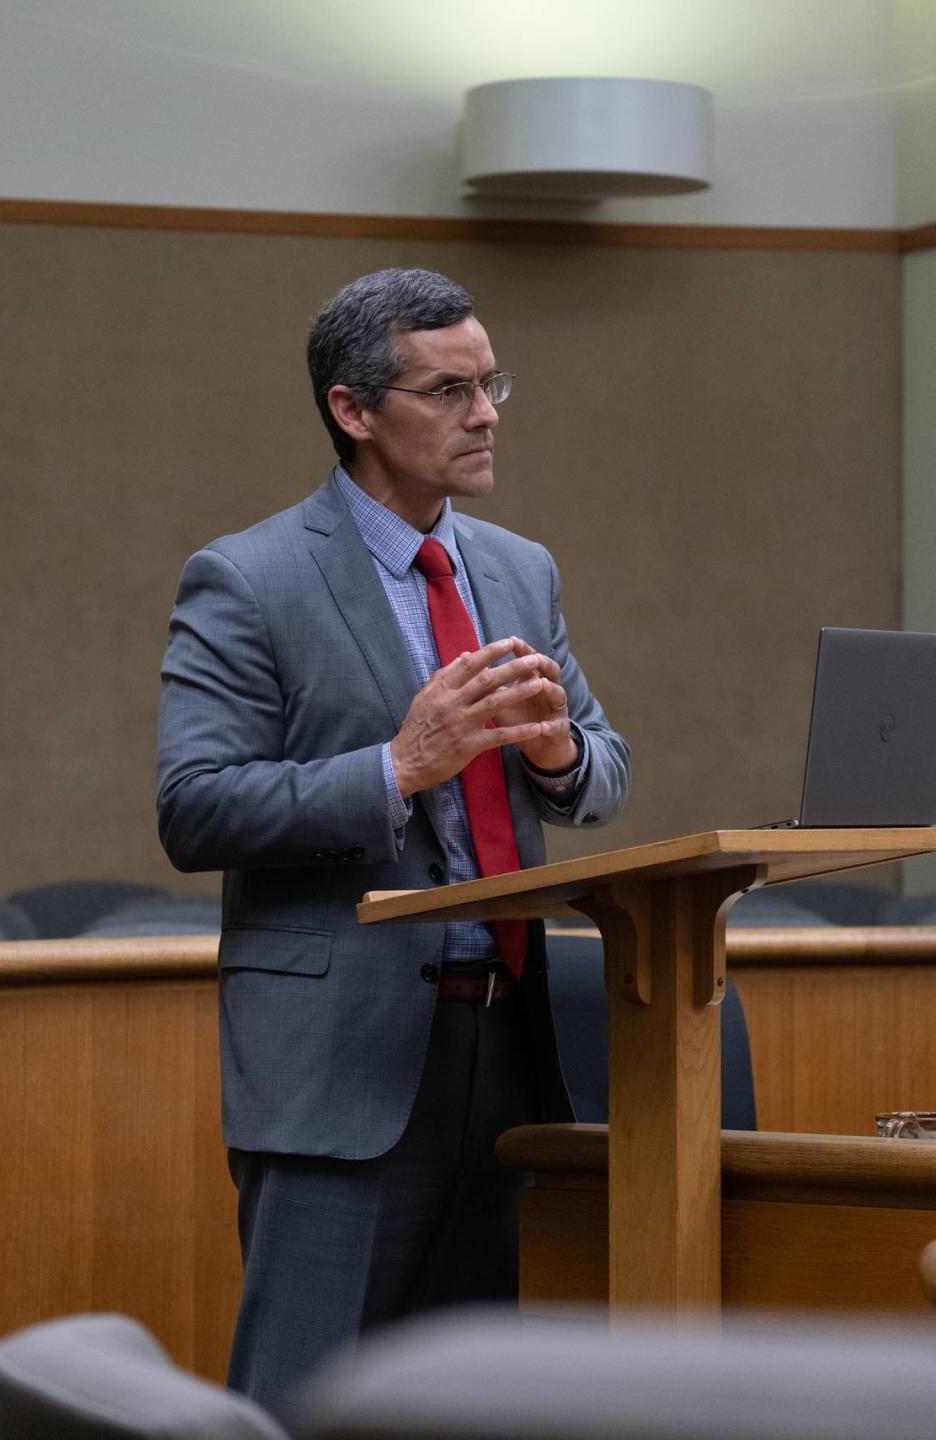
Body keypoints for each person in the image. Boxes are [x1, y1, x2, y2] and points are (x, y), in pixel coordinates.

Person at [156, 267, 630, 1416]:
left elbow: (604, 778)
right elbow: (194, 805)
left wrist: (561, 755)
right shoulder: (250, 578)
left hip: (510, 1051)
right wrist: (396, 768)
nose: (487, 414)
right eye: (450, 391)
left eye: (492, 383)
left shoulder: (519, 569)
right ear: (353, 410)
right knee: (307, 1396)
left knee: (480, 1399)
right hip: (343, 1065)